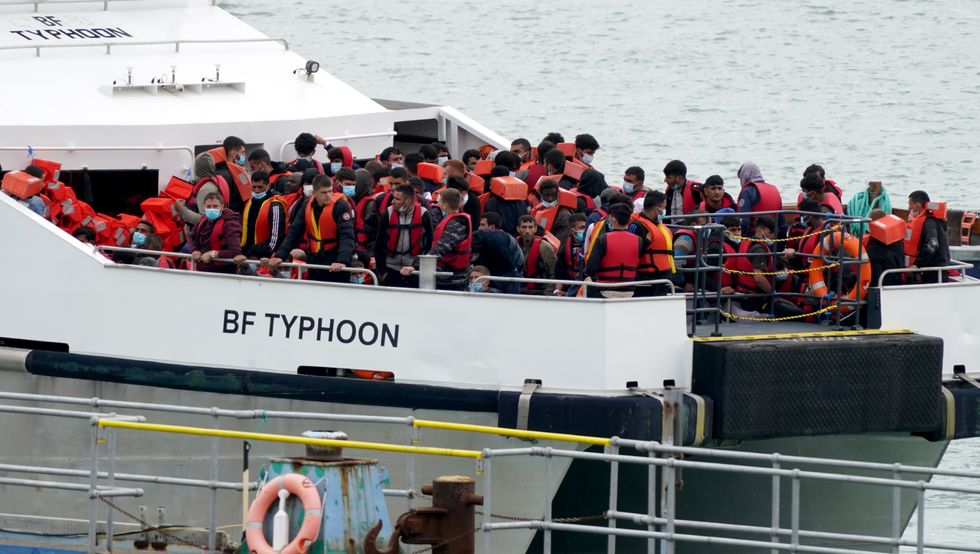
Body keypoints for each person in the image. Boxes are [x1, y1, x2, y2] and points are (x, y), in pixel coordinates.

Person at [270, 175, 355, 282]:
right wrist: (280, 255)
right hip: (315, 258)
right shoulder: (306, 206)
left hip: (335, 259)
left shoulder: (341, 206)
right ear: (314, 193)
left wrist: (342, 261)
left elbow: (346, 236)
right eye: (324, 192)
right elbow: (294, 232)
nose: (328, 195)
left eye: (330, 191)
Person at [731, 216, 803, 318]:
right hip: (756, 300)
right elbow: (759, 278)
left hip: (750, 296)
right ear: (760, 230)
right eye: (770, 232)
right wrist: (772, 293)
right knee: (799, 315)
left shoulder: (749, 243)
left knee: (793, 307)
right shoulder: (759, 249)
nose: (773, 236)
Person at [374, 184, 435, 288]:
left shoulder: (424, 215)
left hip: (413, 270)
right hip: (390, 269)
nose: (393, 201)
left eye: (397, 199)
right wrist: (382, 272)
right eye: (393, 197)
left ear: (408, 201)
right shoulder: (387, 214)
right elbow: (378, 244)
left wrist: (417, 267)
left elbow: (430, 245)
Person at [584, 204, 646, 298]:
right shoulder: (639, 240)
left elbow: (591, 268)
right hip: (629, 290)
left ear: (613, 219)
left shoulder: (603, 239)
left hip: (605, 289)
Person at [630, 191, 675, 296]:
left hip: (664, 278)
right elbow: (630, 254)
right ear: (656, 208)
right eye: (664, 207)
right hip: (645, 279)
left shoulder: (662, 228)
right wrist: (646, 242)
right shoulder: (637, 226)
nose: (665, 211)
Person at [236, 171, 287, 262]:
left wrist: (265, 253)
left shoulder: (275, 205)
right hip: (248, 253)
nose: (256, 190)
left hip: (265, 256)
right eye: (254, 187)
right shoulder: (249, 202)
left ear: (268, 186)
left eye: (260, 187)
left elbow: (276, 236)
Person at [186, 192, 242, 274]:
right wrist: (194, 250)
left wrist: (213, 254)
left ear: (222, 206)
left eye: (215, 206)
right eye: (208, 206)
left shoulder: (230, 224)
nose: (212, 209)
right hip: (202, 269)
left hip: (223, 272)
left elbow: (235, 251)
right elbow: (191, 237)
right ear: (204, 207)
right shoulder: (203, 220)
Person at [427, 189, 472, 290]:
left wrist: (418, 265)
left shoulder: (457, 224)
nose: (438, 205)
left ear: (445, 205)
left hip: (452, 279)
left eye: (439, 202)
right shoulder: (456, 221)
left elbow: (441, 248)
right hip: (447, 276)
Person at [472, 212, 524, 294]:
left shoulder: (499, 241)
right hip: (495, 269)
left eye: (482, 225)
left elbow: (511, 270)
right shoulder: (485, 240)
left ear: (492, 227)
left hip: (512, 270)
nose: (479, 228)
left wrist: (492, 284)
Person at [905, 190, 950, 283]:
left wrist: (918, 264)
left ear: (917, 205)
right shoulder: (933, 221)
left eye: (910, 205)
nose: (908, 208)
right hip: (932, 270)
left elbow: (933, 244)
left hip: (935, 273)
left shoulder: (929, 223)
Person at [736, 161, 785, 236]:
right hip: (774, 237)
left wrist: (743, 241)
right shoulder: (774, 189)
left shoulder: (747, 192)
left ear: (744, 175)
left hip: (755, 237)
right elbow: (782, 223)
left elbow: (744, 221)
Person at [516, 215, 557, 295]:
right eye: (524, 227)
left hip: (539, 290)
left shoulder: (544, 246)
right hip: (518, 289)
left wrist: (547, 293)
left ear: (535, 229)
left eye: (530, 227)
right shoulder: (514, 245)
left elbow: (553, 272)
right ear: (518, 229)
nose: (527, 231)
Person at [482, 166, 529, 235]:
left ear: (492, 179)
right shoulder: (520, 198)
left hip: (499, 236)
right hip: (519, 235)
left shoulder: (491, 201)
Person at [865, 209, 906, 287]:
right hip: (898, 283)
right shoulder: (898, 240)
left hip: (880, 285)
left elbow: (875, 276)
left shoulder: (872, 248)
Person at [554, 213, 588, 296]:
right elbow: (560, 272)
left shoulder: (591, 245)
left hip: (586, 284)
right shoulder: (564, 247)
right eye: (581, 228)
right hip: (569, 284)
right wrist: (558, 291)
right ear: (572, 230)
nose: (584, 230)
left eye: (585, 227)